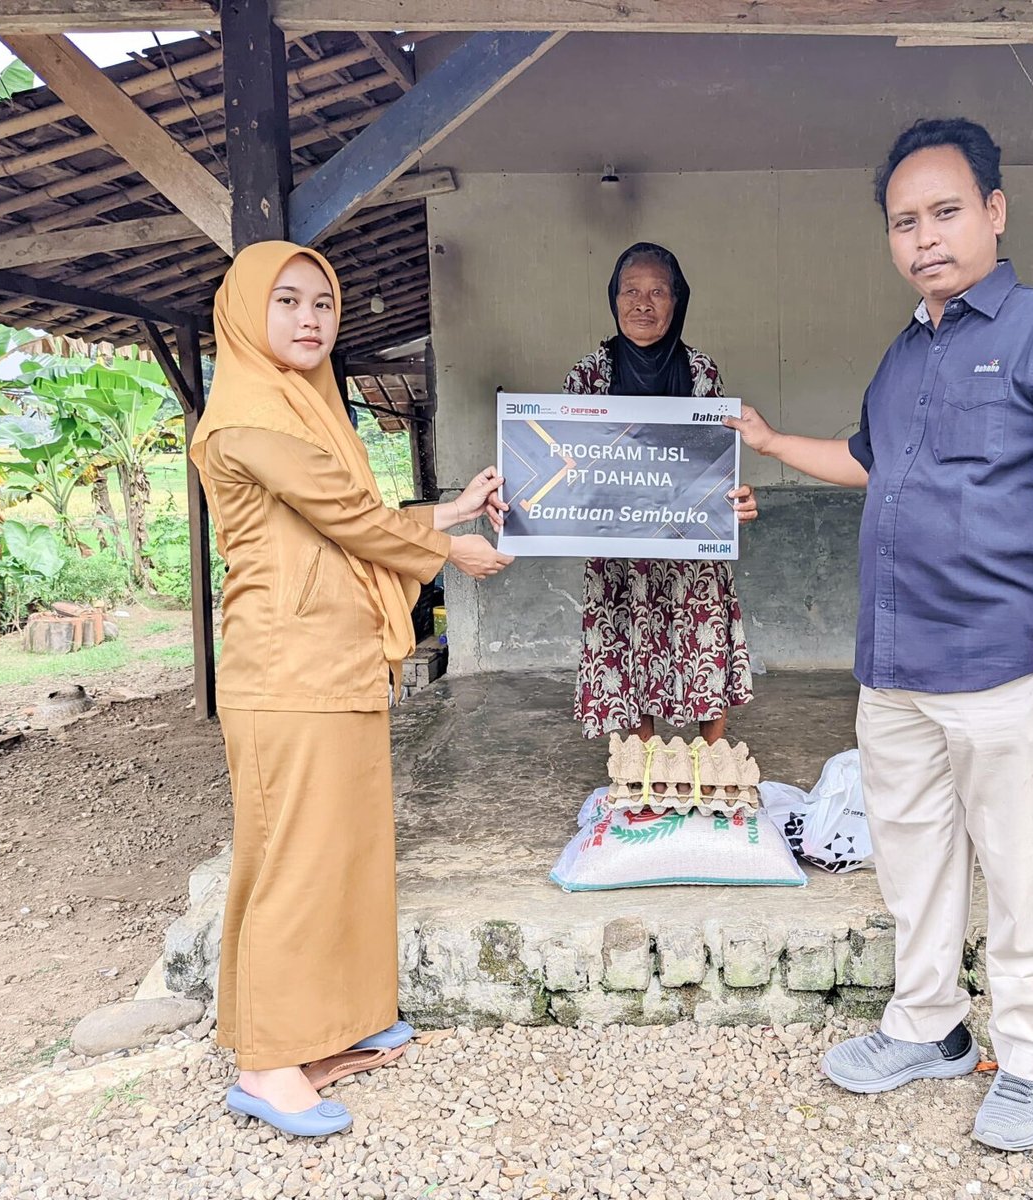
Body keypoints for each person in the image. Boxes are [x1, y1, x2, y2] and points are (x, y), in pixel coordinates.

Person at [727, 118, 1033, 1152]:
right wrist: (771, 442)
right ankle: (929, 1027)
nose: (924, 237)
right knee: (912, 858)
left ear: (995, 213)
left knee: (1021, 864)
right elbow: (870, 459)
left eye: (946, 212)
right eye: (903, 221)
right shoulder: (904, 353)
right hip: (897, 668)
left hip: (1006, 662)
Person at [188, 241, 512, 1137]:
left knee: (342, 852)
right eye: (288, 301)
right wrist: (449, 548)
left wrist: (446, 512)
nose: (310, 319)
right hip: (285, 671)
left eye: (323, 303)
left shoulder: (306, 407)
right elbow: (347, 515)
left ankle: (325, 1029)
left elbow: (343, 519)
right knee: (293, 861)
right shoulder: (252, 415)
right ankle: (265, 1064)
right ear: (246, 312)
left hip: (336, 663)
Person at [564, 241, 759, 744]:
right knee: (626, 639)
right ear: (614, 298)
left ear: (678, 301)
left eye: (658, 292)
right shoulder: (589, 375)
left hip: (690, 542)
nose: (643, 304)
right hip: (618, 547)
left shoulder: (700, 372)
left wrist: (733, 496)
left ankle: (711, 760)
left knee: (703, 631)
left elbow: (714, 460)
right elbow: (567, 464)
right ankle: (643, 763)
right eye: (630, 291)